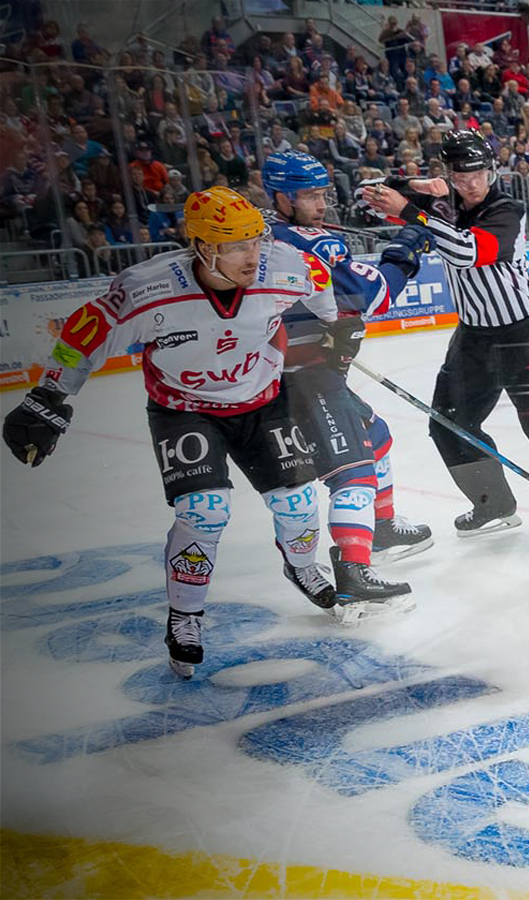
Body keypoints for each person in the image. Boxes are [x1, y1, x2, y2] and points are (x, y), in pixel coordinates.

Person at [1, 187, 361, 678]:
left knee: (298, 502)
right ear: (201, 247)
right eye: (235, 246)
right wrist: (50, 394)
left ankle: (300, 564)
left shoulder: (285, 264)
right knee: (204, 512)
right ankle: (185, 615)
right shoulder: (150, 288)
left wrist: (336, 323)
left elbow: (320, 287)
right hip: (184, 410)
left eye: (255, 240)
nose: (252, 256)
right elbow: (84, 332)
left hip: (262, 401)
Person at [360, 130, 529, 550]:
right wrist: (414, 186)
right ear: (449, 175)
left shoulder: (506, 209)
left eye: (479, 173)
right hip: (473, 338)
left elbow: (466, 251)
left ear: (491, 171)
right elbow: (369, 194)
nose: (472, 184)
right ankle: (493, 503)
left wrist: (412, 211)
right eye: (461, 177)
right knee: (448, 423)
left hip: (521, 336)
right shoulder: (442, 202)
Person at [264, 153, 437, 599]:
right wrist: (410, 244)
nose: (320, 204)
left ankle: (380, 528)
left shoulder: (267, 233)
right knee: (353, 469)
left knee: (375, 436)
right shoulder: (306, 243)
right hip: (303, 376)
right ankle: (353, 574)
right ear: (282, 197)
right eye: (309, 195)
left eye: (323, 194)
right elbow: (369, 293)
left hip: (298, 368)